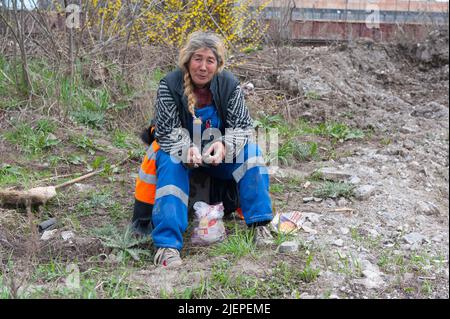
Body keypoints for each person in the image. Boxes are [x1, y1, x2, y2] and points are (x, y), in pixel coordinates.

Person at [132, 31, 273, 268]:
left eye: (210, 60)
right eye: (198, 59)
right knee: (170, 161)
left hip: (217, 157)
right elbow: (165, 130)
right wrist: (185, 148)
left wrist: (225, 144)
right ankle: (167, 245)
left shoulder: (229, 84)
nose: (203, 67)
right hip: (184, 154)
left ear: (218, 64)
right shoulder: (170, 84)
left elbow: (243, 126)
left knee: (252, 155)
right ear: (187, 60)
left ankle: (259, 225)